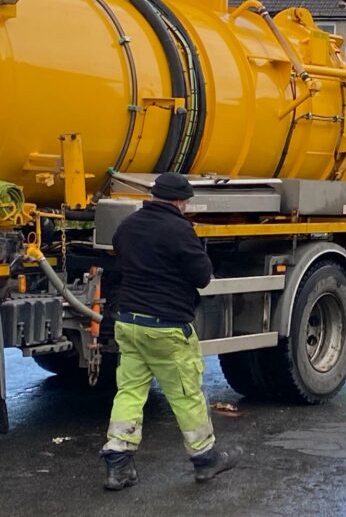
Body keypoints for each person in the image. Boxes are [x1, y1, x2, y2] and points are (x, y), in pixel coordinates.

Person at [100, 172, 242, 490]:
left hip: (129, 323)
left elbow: (120, 253)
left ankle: (118, 462)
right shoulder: (180, 230)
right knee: (186, 394)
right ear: (179, 201)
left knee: (130, 391)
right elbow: (202, 276)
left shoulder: (129, 226)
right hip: (166, 327)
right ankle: (205, 459)